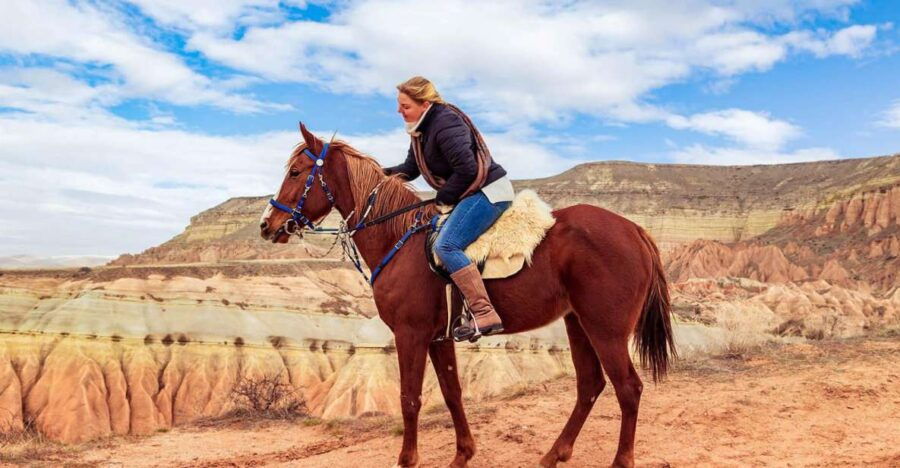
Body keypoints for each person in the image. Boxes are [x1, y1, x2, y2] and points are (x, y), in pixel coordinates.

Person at [384, 76, 515, 341]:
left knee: (446, 246)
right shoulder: (420, 130)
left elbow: (467, 169)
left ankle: (484, 312)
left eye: (405, 106)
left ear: (424, 103)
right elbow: (410, 170)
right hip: (468, 193)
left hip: (488, 193)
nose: (399, 111)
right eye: (399, 105)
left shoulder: (445, 123)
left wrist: (442, 199)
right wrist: (378, 175)